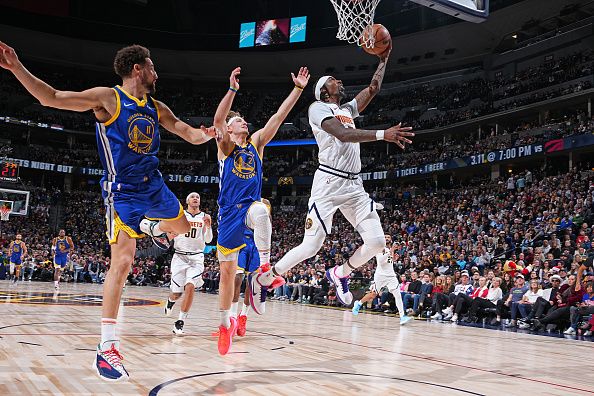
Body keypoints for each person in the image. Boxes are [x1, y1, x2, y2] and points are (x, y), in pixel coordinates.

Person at [0, 42, 216, 381]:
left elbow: (185, 131)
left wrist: (205, 136)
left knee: (182, 225)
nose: (157, 73)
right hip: (123, 192)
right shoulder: (108, 98)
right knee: (124, 261)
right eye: (152, 66)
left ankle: (150, 228)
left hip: (154, 185)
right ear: (137, 69)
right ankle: (107, 346)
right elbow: (51, 97)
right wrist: (15, 67)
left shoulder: (155, 106)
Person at [248, 46, 415, 313]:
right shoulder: (317, 108)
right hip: (328, 183)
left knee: (377, 243)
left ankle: (340, 273)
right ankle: (267, 276)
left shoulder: (347, 109)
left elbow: (372, 89)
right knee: (311, 246)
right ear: (325, 91)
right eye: (333, 80)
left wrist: (384, 59)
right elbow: (344, 135)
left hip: (354, 185)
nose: (339, 81)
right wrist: (384, 134)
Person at [212, 66, 310, 355]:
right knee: (228, 274)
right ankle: (224, 324)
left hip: (250, 207)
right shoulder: (226, 148)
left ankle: (265, 270)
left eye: (243, 120)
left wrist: (298, 89)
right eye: (239, 121)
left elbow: (278, 117)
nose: (245, 123)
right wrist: (232, 90)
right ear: (230, 129)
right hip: (229, 213)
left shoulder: (256, 144)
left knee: (262, 213)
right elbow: (219, 119)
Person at [164, 192, 212, 336]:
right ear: (187, 201)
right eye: (192, 196)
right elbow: (169, 235)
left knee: (190, 286)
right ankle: (170, 301)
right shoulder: (180, 216)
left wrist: (209, 226)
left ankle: (180, 322)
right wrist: (169, 235)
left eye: (197, 197)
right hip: (179, 256)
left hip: (196, 257)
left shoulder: (205, 217)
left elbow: (208, 240)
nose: (195, 198)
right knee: (176, 294)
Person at [352, 235, 412, 325]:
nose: (387, 238)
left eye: (388, 237)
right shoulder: (379, 248)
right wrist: (391, 251)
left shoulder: (389, 250)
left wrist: (394, 259)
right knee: (373, 295)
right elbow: (380, 261)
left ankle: (402, 316)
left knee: (398, 295)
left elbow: (388, 262)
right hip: (380, 275)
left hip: (391, 276)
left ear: (391, 239)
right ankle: (359, 304)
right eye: (385, 237)